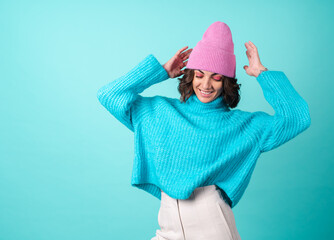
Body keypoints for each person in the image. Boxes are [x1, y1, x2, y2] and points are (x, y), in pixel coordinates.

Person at [97, 21, 311, 240]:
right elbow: (109, 95)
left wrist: (261, 73)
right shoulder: (159, 112)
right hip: (168, 229)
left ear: (226, 81)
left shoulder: (242, 126)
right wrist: (160, 71)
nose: (206, 85)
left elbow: (297, 119)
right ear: (191, 75)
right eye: (200, 74)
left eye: (216, 77)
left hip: (213, 228)